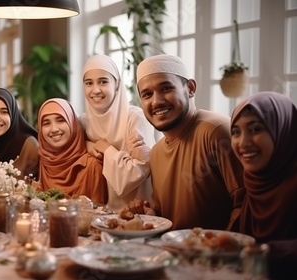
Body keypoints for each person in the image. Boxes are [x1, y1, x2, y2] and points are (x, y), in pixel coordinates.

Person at [128, 54, 245, 231]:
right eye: (147, 94)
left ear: (190, 88)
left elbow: (244, 204)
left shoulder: (217, 131)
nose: (156, 101)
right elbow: (164, 216)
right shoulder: (157, 152)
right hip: (172, 254)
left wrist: (220, 250)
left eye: (166, 88)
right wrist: (149, 214)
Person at [230, 91, 297, 279]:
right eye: (236, 132)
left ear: (284, 130)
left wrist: (268, 251)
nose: (243, 143)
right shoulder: (255, 180)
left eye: (256, 129)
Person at [80, 54, 156, 211]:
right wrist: (87, 145)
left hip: (137, 212)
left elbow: (139, 171)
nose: (95, 90)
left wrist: (106, 149)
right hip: (97, 213)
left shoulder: (135, 118)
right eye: (89, 83)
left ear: (116, 84)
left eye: (103, 81)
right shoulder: (83, 122)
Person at [37, 98, 108, 205]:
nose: (54, 129)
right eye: (46, 123)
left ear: (73, 123)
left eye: (60, 120)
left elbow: (98, 216)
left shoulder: (91, 165)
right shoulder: (45, 160)